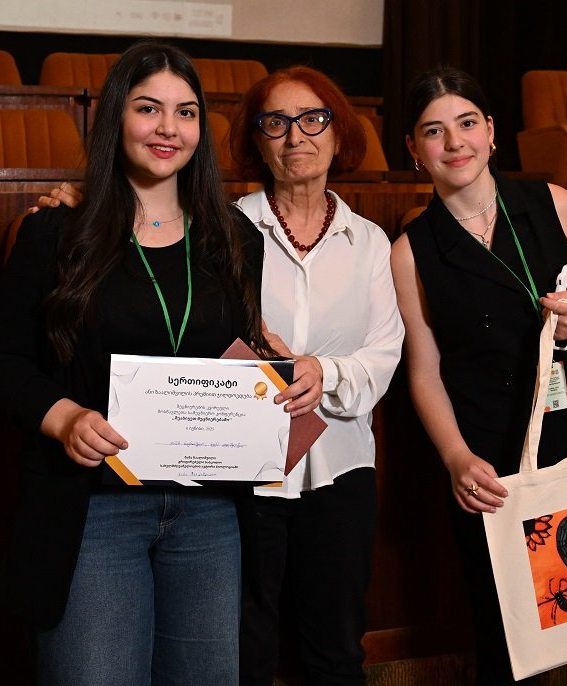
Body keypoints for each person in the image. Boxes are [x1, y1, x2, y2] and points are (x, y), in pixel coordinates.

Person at [0, 39, 318, 685]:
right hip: (93, 507)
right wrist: (64, 417)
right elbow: (1, 359)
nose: (168, 128)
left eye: (185, 112)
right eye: (148, 108)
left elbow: (243, 346)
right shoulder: (56, 232)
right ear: (117, 117)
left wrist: (296, 371)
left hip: (210, 510)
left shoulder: (235, 238)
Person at [390, 66, 567, 685]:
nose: (455, 142)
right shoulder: (412, 249)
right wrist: (455, 457)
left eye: (467, 123)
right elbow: (424, 372)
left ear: (492, 131)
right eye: (434, 131)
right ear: (414, 149)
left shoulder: (553, 202)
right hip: (491, 463)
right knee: (512, 647)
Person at [228, 66, 404, 685]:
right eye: (275, 122)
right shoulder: (224, 230)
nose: (295, 135)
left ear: (337, 134)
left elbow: (384, 352)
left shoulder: (370, 242)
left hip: (341, 468)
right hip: (245, 469)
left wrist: (321, 372)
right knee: (245, 648)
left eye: (312, 120)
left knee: (334, 650)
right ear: (258, 141)